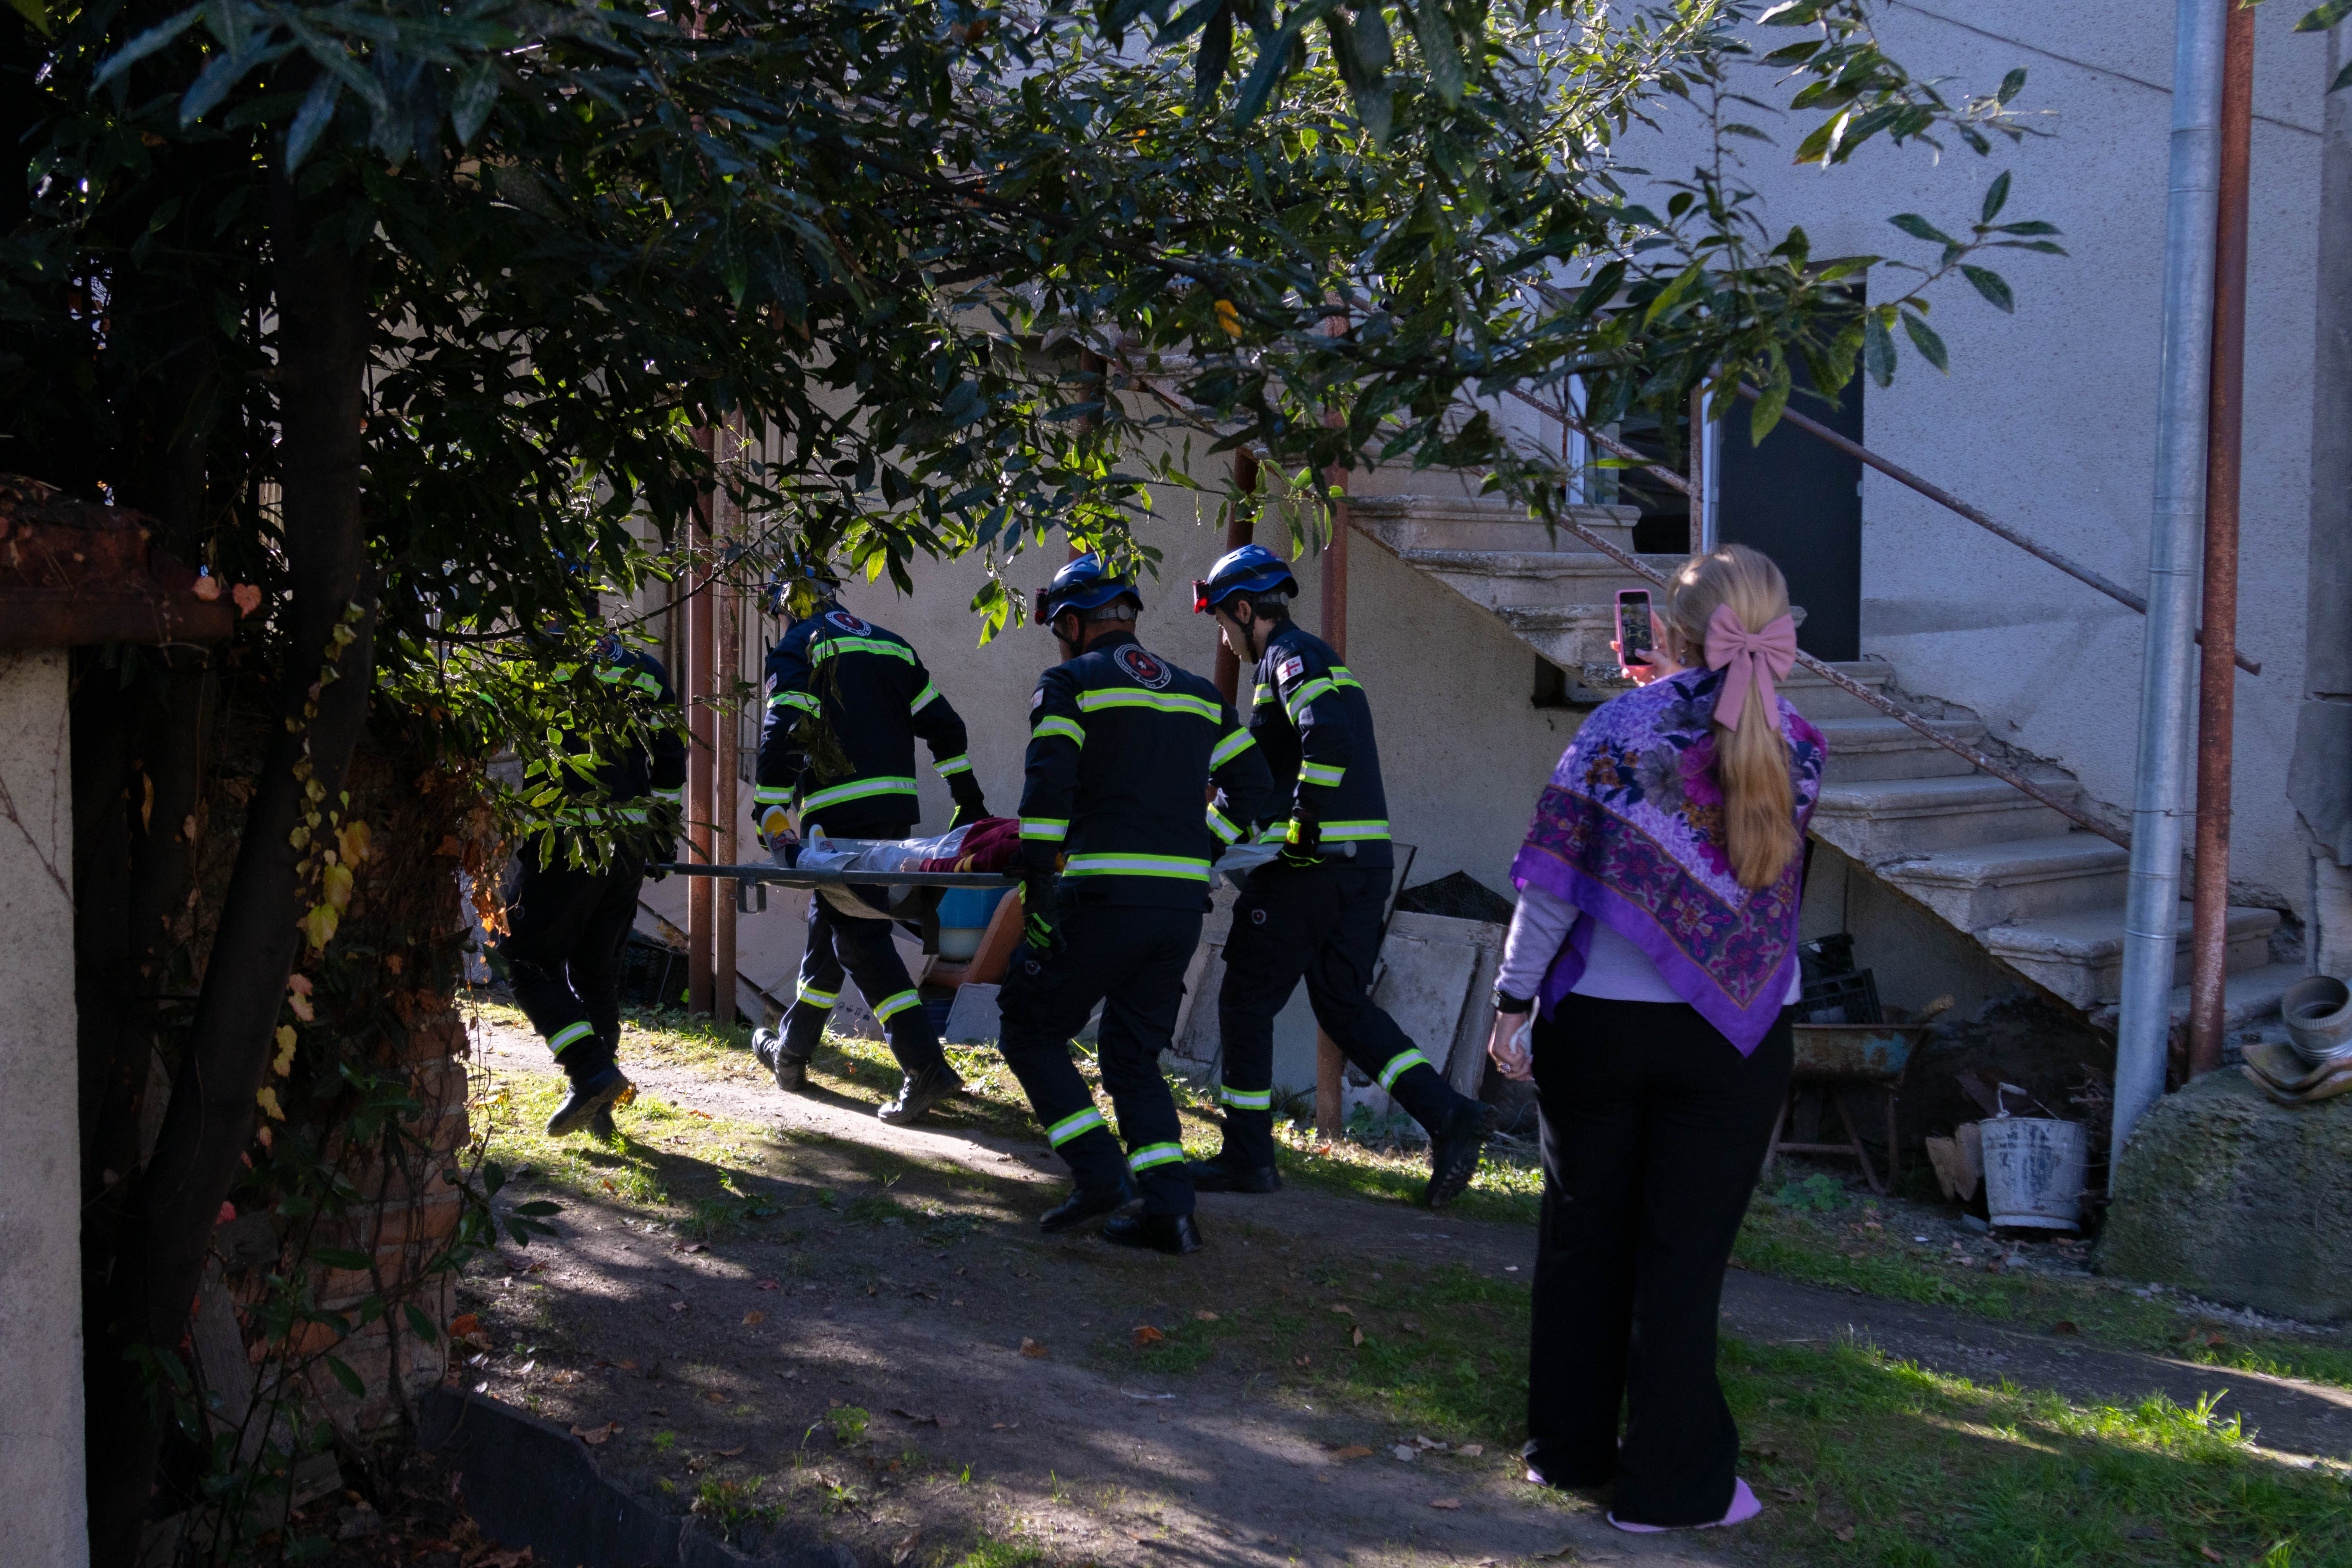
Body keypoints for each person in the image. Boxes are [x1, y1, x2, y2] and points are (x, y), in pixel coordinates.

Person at [1485, 543, 1825, 1534]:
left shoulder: (1614, 727)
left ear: (1672, 633)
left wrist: (1512, 1002)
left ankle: (1567, 1450)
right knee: (1681, 1262)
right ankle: (1668, 1490)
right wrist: (1671, 688)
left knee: (1583, 1236)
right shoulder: (1800, 743)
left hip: (1601, 1028)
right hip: (1736, 1036)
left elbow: (1552, 882)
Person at [1186, 543, 1492, 1206]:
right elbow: (1279, 772)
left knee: (1244, 1000)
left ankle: (1246, 1155)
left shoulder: (1288, 656)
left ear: (1246, 610)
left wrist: (1302, 824)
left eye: (1222, 620)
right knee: (1343, 1006)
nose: (1223, 636)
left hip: (1311, 869)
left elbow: (1326, 737)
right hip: (1360, 866)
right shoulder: (1310, 659)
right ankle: (1448, 1114)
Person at [995, 553, 1272, 1254]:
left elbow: (1048, 784)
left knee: (1029, 1030)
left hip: (1100, 897)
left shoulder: (1070, 681)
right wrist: (1202, 848)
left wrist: (1039, 881)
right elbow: (1255, 788)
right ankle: (1169, 1213)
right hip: (1178, 909)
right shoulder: (1199, 693)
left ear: (1070, 624)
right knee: (1131, 1056)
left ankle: (1098, 1175)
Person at [747, 553, 989, 1124]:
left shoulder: (802, 644)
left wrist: (768, 805)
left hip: (836, 822)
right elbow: (946, 726)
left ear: (786, 602)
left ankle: (924, 1066)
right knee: (832, 930)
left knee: (859, 939)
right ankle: (791, 1053)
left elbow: (786, 726)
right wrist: (968, 798)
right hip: (891, 818)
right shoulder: (890, 644)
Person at [498, 611, 686, 1139]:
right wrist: (660, 835)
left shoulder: (536, 664)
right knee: (595, 971)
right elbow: (670, 760)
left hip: (567, 838)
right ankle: (600, 1105)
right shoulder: (643, 668)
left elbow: (486, 730)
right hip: (629, 843)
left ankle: (589, 1071)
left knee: (525, 959)